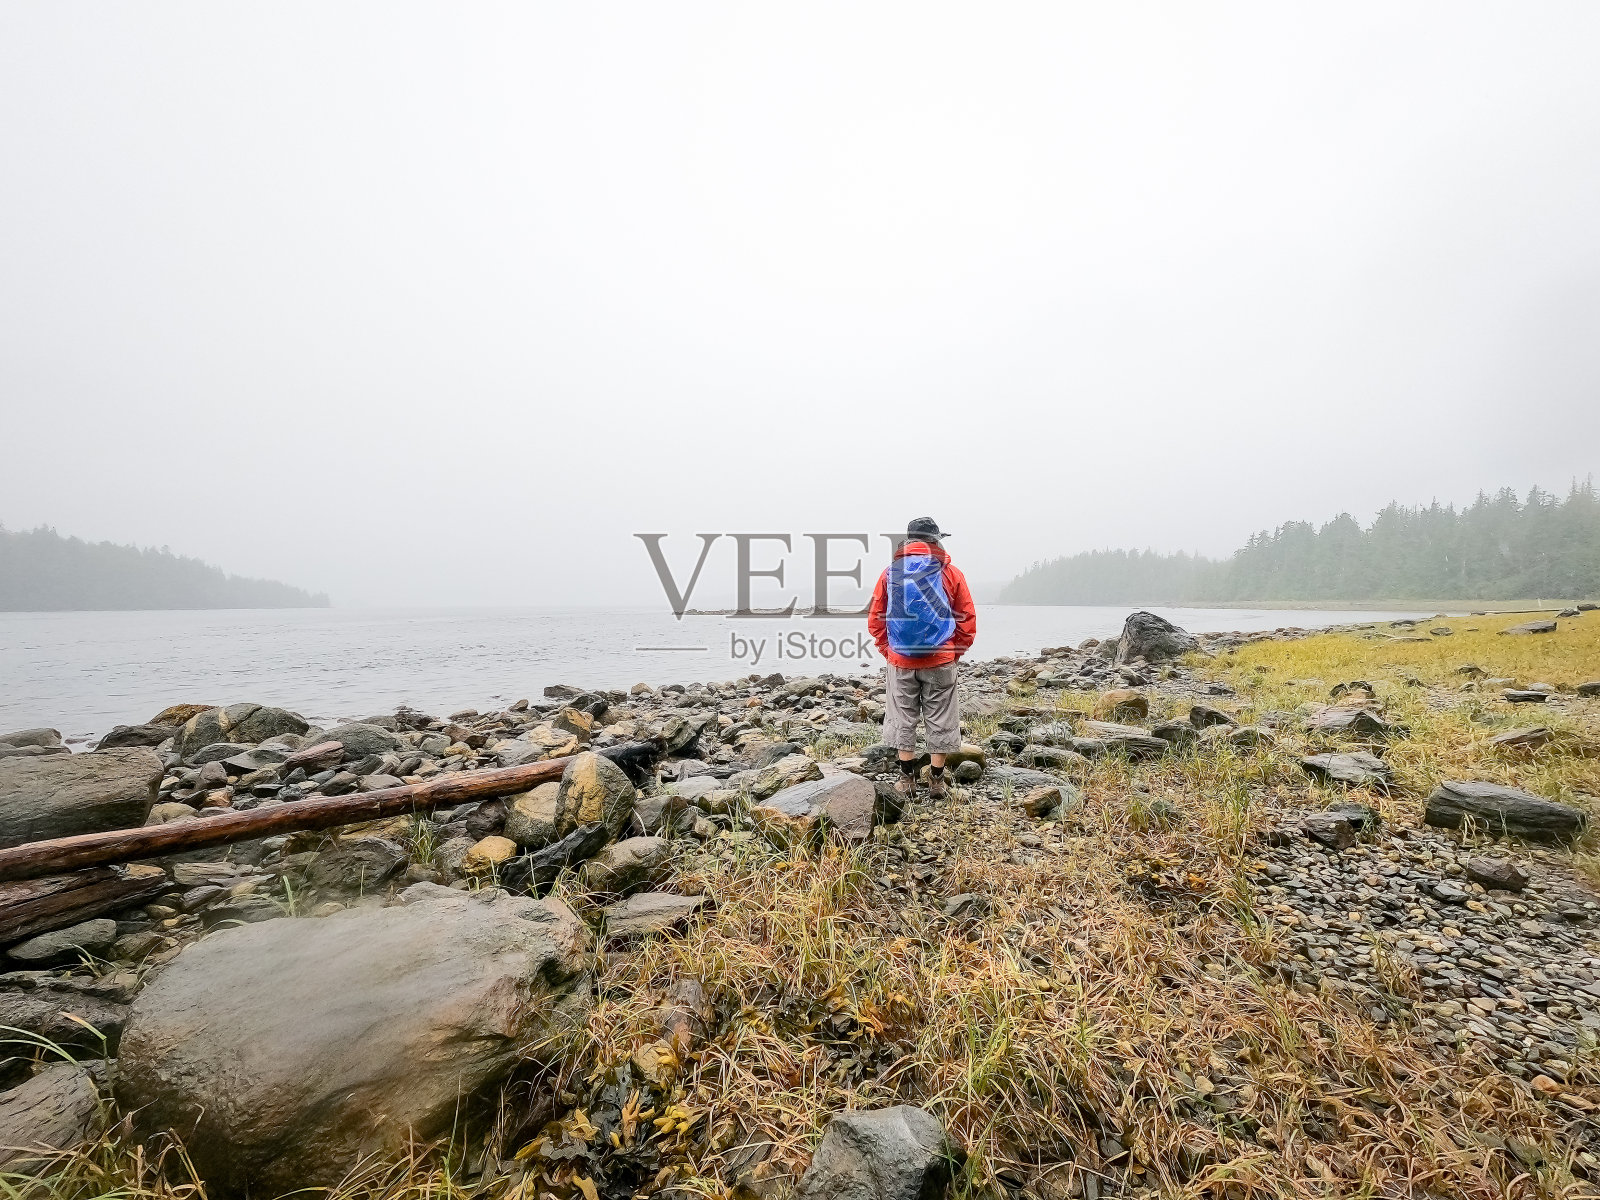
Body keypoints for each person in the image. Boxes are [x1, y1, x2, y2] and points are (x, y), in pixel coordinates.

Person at [866, 517, 977, 800]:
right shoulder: (950, 572)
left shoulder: (890, 572)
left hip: (901, 661)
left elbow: (876, 618)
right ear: (936, 540)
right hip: (941, 659)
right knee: (940, 717)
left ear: (908, 541)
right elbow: (966, 619)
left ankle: (906, 780)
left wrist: (888, 651)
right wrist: (954, 653)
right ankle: (937, 782)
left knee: (903, 716)